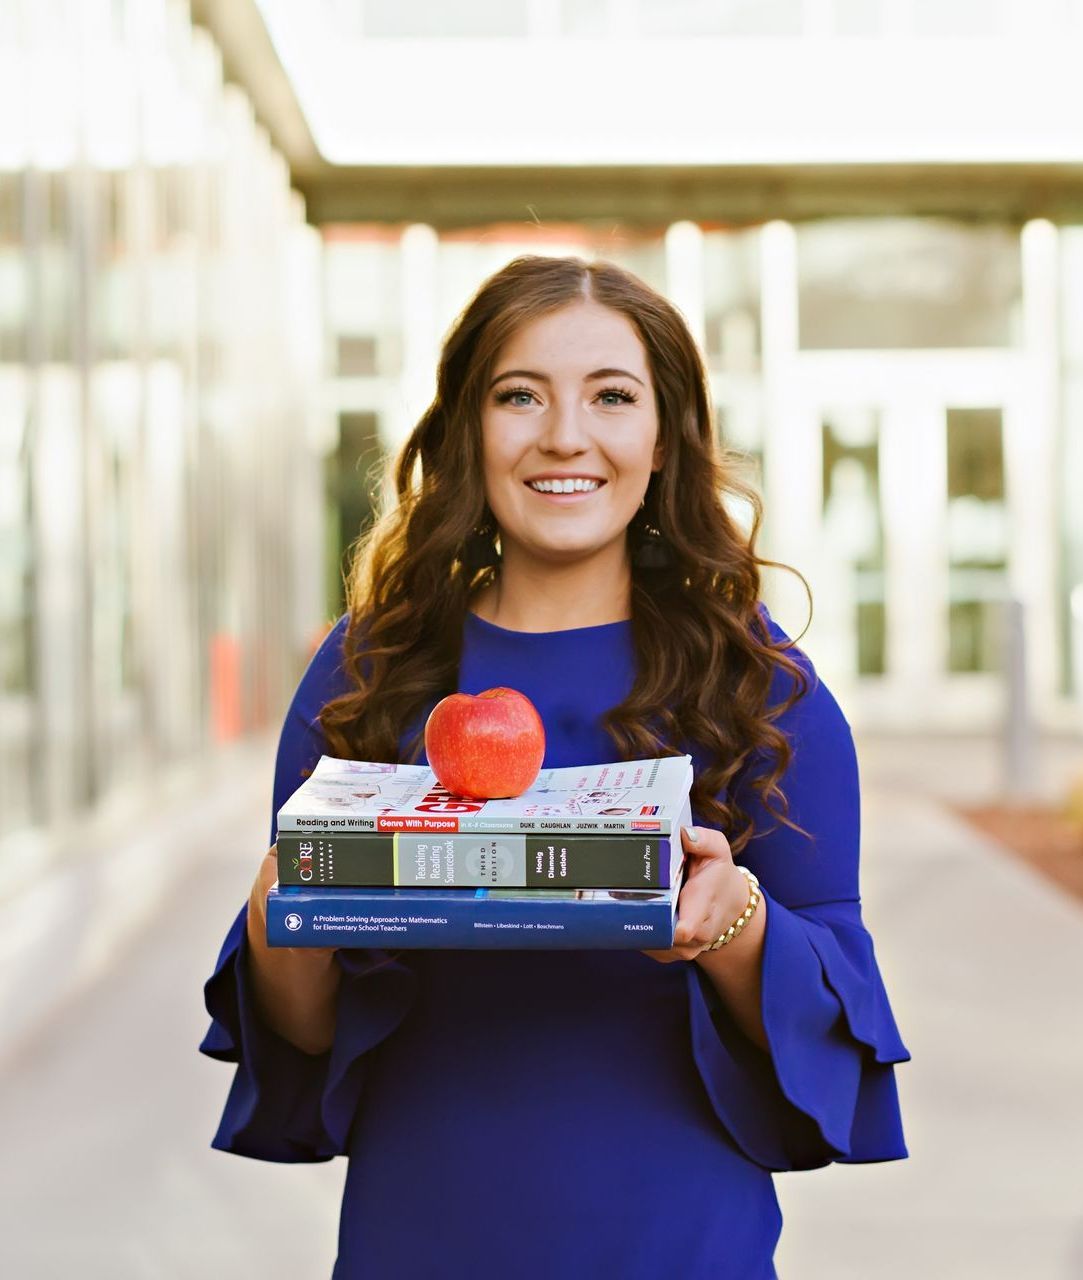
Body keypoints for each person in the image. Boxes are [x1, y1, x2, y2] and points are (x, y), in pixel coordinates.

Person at [201, 255, 910, 1279]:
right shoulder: (368, 672)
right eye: (519, 395)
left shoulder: (759, 689)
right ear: (467, 431)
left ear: (663, 439)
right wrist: (282, 920)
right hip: (421, 1233)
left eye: (611, 397)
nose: (564, 435)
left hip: (677, 1236)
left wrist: (731, 921)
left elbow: (834, 1019)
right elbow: (305, 1029)